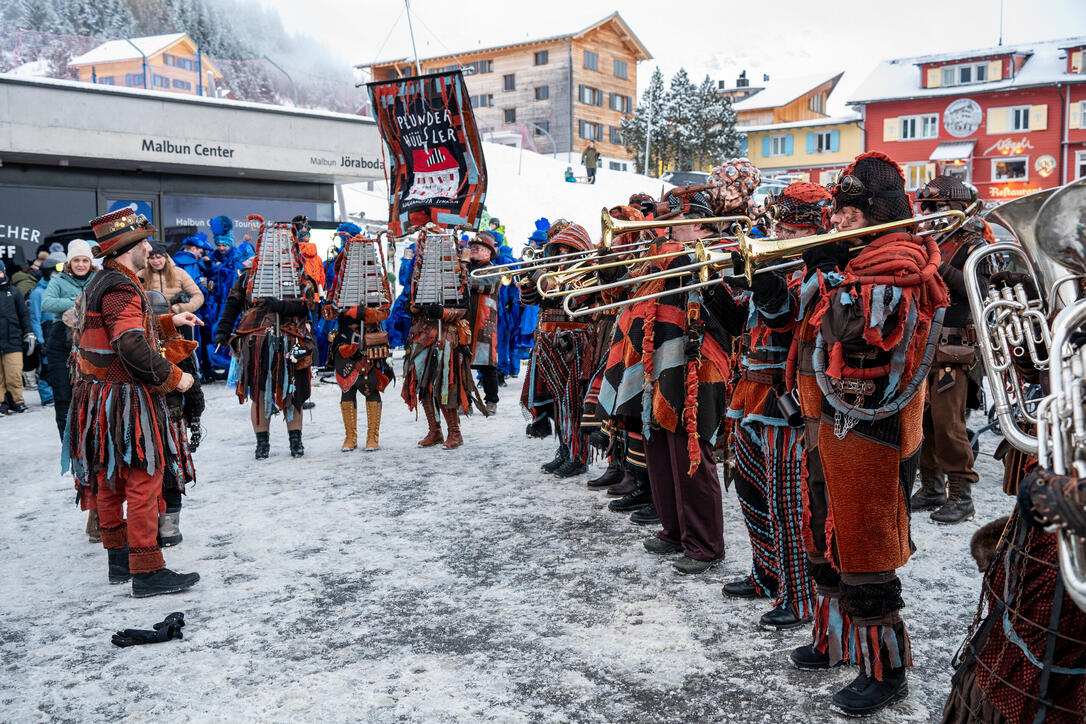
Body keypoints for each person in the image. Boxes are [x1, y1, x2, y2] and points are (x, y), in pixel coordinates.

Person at [799, 151, 948, 715]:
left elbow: (861, 331)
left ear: (877, 213)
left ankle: (887, 670)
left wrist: (831, 278)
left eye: (849, 214)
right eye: (838, 212)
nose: (838, 221)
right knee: (827, 531)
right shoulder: (860, 262)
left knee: (866, 545)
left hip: (875, 426)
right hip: (836, 422)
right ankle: (836, 639)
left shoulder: (900, 261)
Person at [597, 190, 745, 574]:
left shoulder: (724, 254)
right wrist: (608, 256)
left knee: (691, 455)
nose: (665, 228)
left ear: (698, 223)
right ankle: (674, 530)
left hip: (700, 366)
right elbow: (621, 289)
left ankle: (706, 545)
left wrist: (698, 269)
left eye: (674, 221)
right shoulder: (657, 257)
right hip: (657, 363)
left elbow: (736, 317)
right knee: (660, 452)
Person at [64, 207, 201, 597]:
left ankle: (119, 562)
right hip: (123, 398)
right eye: (143, 242)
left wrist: (170, 323)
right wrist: (178, 377)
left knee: (109, 478)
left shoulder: (101, 281)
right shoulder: (122, 287)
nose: (148, 248)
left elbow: (121, 330)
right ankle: (147, 571)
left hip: (97, 398)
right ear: (131, 247)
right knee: (144, 479)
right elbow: (129, 344)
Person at [722, 179, 824, 632]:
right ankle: (766, 572)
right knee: (749, 490)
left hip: (786, 400)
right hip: (749, 394)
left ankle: (799, 595)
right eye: (779, 226)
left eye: (792, 229)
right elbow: (734, 322)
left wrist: (765, 285)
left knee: (789, 502)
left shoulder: (819, 274)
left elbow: (786, 326)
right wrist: (714, 287)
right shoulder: (777, 263)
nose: (781, 235)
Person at [910, 176, 987, 525]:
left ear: (957, 208)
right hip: (925, 342)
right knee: (923, 421)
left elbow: (979, 292)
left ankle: (961, 494)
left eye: (938, 207)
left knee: (948, 423)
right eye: (928, 207)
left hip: (956, 347)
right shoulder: (931, 240)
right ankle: (931, 488)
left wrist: (935, 263)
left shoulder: (975, 245)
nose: (930, 213)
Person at [214, 218, 317, 460]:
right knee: (259, 393)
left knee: (293, 392)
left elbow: (309, 306)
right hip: (256, 343)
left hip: (292, 341)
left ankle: (296, 442)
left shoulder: (301, 274)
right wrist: (223, 330)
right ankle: (262, 444)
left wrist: (283, 306)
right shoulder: (247, 276)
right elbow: (233, 304)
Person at [402, 226, 486, 449]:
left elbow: (464, 309)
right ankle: (435, 431)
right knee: (423, 384)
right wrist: (414, 309)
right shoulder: (421, 274)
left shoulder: (459, 274)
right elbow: (412, 302)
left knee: (446, 386)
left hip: (447, 336)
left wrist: (443, 313)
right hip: (423, 336)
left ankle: (455, 433)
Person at [327, 231, 393, 452]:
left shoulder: (379, 280)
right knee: (347, 389)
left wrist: (363, 312)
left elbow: (385, 311)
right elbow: (328, 310)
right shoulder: (339, 281)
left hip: (371, 344)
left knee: (371, 387)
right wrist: (332, 308)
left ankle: (372, 437)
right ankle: (350, 437)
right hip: (345, 344)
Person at [41, 240, 96, 439]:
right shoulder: (58, 279)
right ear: (69, 262)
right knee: (63, 394)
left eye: (85, 260)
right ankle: (68, 440)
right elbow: (47, 303)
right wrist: (79, 301)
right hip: (61, 340)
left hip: (91, 341)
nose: (81, 264)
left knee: (91, 392)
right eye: (76, 260)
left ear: (90, 262)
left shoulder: (97, 279)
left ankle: (91, 437)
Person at [466, 231, 502, 415]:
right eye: (472, 247)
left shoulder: (494, 270)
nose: (473, 249)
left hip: (484, 322)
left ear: (488, 253)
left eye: (478, 248)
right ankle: (466, 402)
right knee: (462, 364)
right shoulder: (463, 268)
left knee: (487, 366)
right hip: (466, 322)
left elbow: (483, 285)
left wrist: (463, 278)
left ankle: (492, 401)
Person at [29, 251, 66, 407]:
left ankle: (58, 392)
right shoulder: (37, 293)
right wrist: (40, 340)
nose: (58, 274)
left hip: (59, 330)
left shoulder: (58, 288)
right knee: (46, 366)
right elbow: (35, 318)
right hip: (46, 332)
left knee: (61, 366)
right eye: (55, 271)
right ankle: (46, 396)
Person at [138, 241, 205, 317]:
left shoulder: (179, 273)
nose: (156, 261)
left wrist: (181, 308)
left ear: (166, 257)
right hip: (151, 321)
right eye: (152, 258)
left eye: (159, 257)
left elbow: (198, 296)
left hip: (177, 320)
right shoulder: (141, 274)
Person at [0, 265, 32, 414]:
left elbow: (24, 314)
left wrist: (28, 332)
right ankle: (2, 404)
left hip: (13, 340)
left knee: (14, 374)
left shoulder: (13, 291)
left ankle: (18, 401)